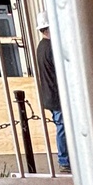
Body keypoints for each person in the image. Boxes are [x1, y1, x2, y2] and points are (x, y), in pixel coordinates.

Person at [35, 10, 69, 172]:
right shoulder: (51, 48)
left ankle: (66, 159)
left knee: (62, 127)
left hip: (51, 95)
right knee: (62, 128)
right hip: (57, 96)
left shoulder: (42, 47)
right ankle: (65, 160)